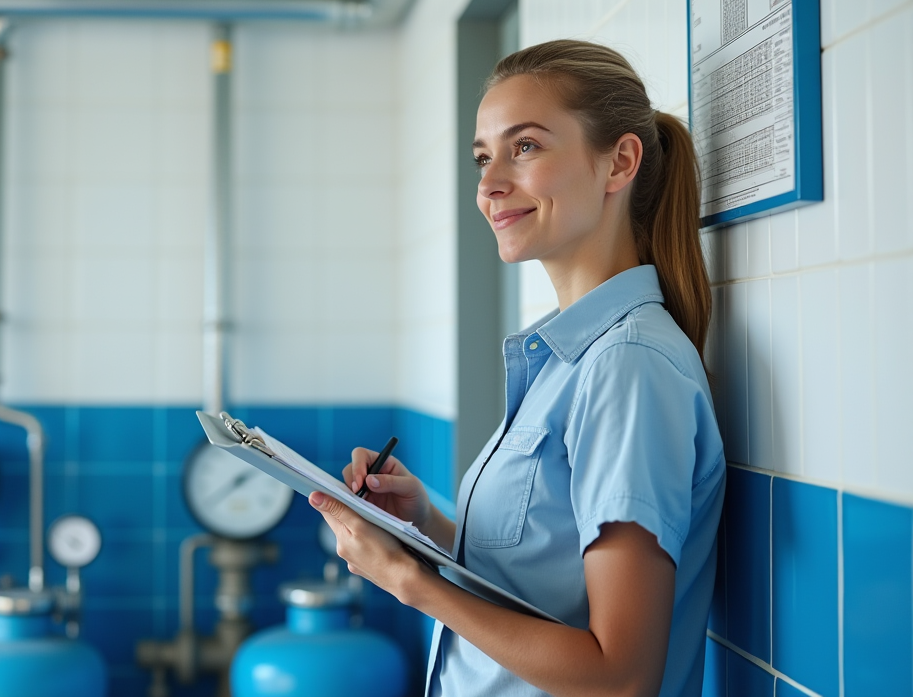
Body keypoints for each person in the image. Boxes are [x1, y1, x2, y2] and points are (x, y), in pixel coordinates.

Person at [311, 40, 726, 697]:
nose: (489, 184)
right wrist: (427, 523)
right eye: (483, 157)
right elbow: (552, 580)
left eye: (525, 147)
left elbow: (621, 676)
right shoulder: (572, 358)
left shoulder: (628, 367)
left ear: (619, 162)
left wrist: (408, 581)